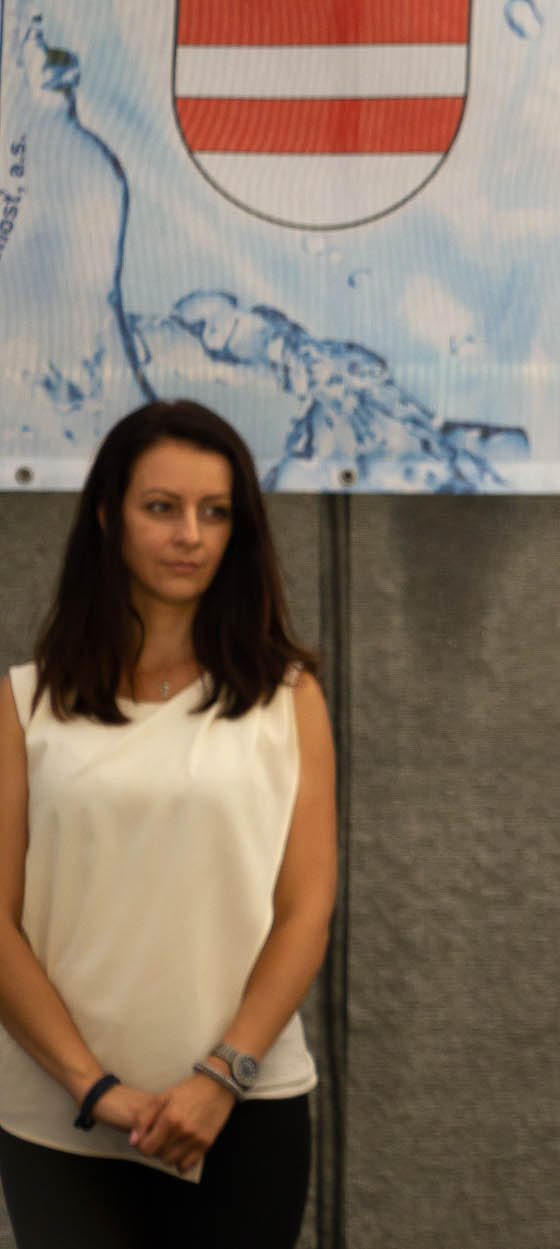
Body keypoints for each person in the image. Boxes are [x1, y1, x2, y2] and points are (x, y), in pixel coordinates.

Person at [0, 399, 334, 1248]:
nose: (190, 534)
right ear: (107, 516)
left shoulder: (288, 698)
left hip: (244, 1112)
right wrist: (92, 1086)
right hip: (61, 1120)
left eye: (214, 511)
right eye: (162, 506)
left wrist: (222, 1075)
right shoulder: (24, 703)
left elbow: (305, 910)